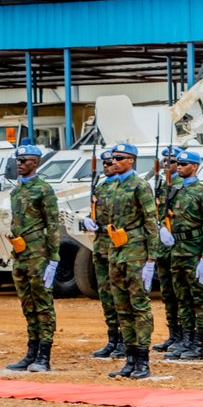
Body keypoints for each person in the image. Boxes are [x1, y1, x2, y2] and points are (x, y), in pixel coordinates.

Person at [102, 143, 160, 380]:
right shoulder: (114, 186)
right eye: (113, 157)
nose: (114, 161)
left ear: (131, 161)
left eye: (120, 158)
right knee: (122, 307)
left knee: (139, 306)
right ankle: (130, 359)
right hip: (117, 250)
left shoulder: (140, 186)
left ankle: (143, 362)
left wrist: (151, 259)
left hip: (136, 252)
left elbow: (150, 222)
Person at [4, 145, 59, 372]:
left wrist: (53, 259)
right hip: (20, 254)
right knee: (27, 305)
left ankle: (44, 356)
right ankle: (31, 353)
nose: (19, 163)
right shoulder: (16, 191)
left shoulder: (44, 190)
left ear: (35, 163)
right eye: (17, 160)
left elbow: (53, 225)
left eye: (24, 160)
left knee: (43, 304)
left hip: (38, 255)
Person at [162, 150, 203, 360]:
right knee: (182, 298)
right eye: (179, 164)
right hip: (177, 250)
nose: (179, 167)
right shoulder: (174, 190)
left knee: (199, 299)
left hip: (194, 251)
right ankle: (185, 340)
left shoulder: (202, 192)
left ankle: (198, 343)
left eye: (184, 164)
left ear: (194, 166)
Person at [85, 149, 124, 359]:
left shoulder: (121, 189)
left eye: (110, 163)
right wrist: (87, 219)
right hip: (100, 245)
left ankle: (125, 341)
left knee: (119, 295)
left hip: (116, 245)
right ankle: (113, 339)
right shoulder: (101, 187)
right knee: (106, 295)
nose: (107, 166)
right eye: (105, 163)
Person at [152, 147, 182, 354]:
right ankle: (174, 335)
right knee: (168, 294)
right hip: (163, 248)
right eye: (164, 161)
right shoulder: (163, 184)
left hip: (179, 247)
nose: (166, 165)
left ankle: (184, 336)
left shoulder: (180, 186)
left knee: (181, 295)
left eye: (170, 162)